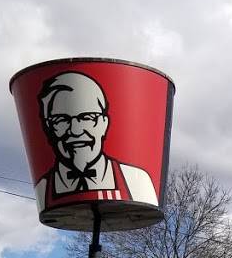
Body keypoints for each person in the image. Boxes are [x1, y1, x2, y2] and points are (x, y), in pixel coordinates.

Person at [34, 71, 158, 216]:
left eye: (87, 117)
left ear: (104, 123)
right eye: (61, 120)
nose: (76, 130)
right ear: (48, 128)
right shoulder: (43, 189)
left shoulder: (135, 181)